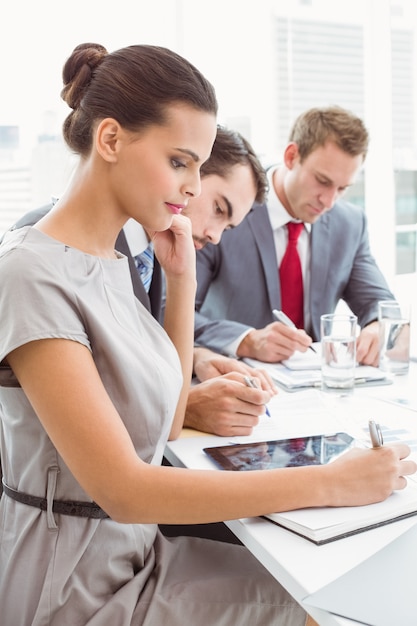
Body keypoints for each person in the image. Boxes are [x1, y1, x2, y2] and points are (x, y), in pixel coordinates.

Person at [1, 44, 414, 626]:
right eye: (180, 162)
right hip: (72, 585)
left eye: (198, 167)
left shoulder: (115, 264)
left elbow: (165, 424)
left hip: (137, 554)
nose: (193, 188)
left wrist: (180, 275)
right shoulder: (30, 271)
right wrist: (329, 483)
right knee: (329, 611)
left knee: (344, 597)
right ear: (111, 140)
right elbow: (124, 489)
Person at [4, 126, 277, 438]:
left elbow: (138, 346)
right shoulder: (45, 243)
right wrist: (187, 405)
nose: (215, 236)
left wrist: (198, 357)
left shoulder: (157, 247)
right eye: (218, 209)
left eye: (227, 228)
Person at [194, 106, 396, 366]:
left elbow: (379, 302)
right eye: (322, 181)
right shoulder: (226, 209)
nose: (329, 201)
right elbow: (171, 309)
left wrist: (377, 327)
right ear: (291, 156)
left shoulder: (350, 223)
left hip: (309, 385)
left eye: (342, 188)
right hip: (232, 375)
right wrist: (246, 340)